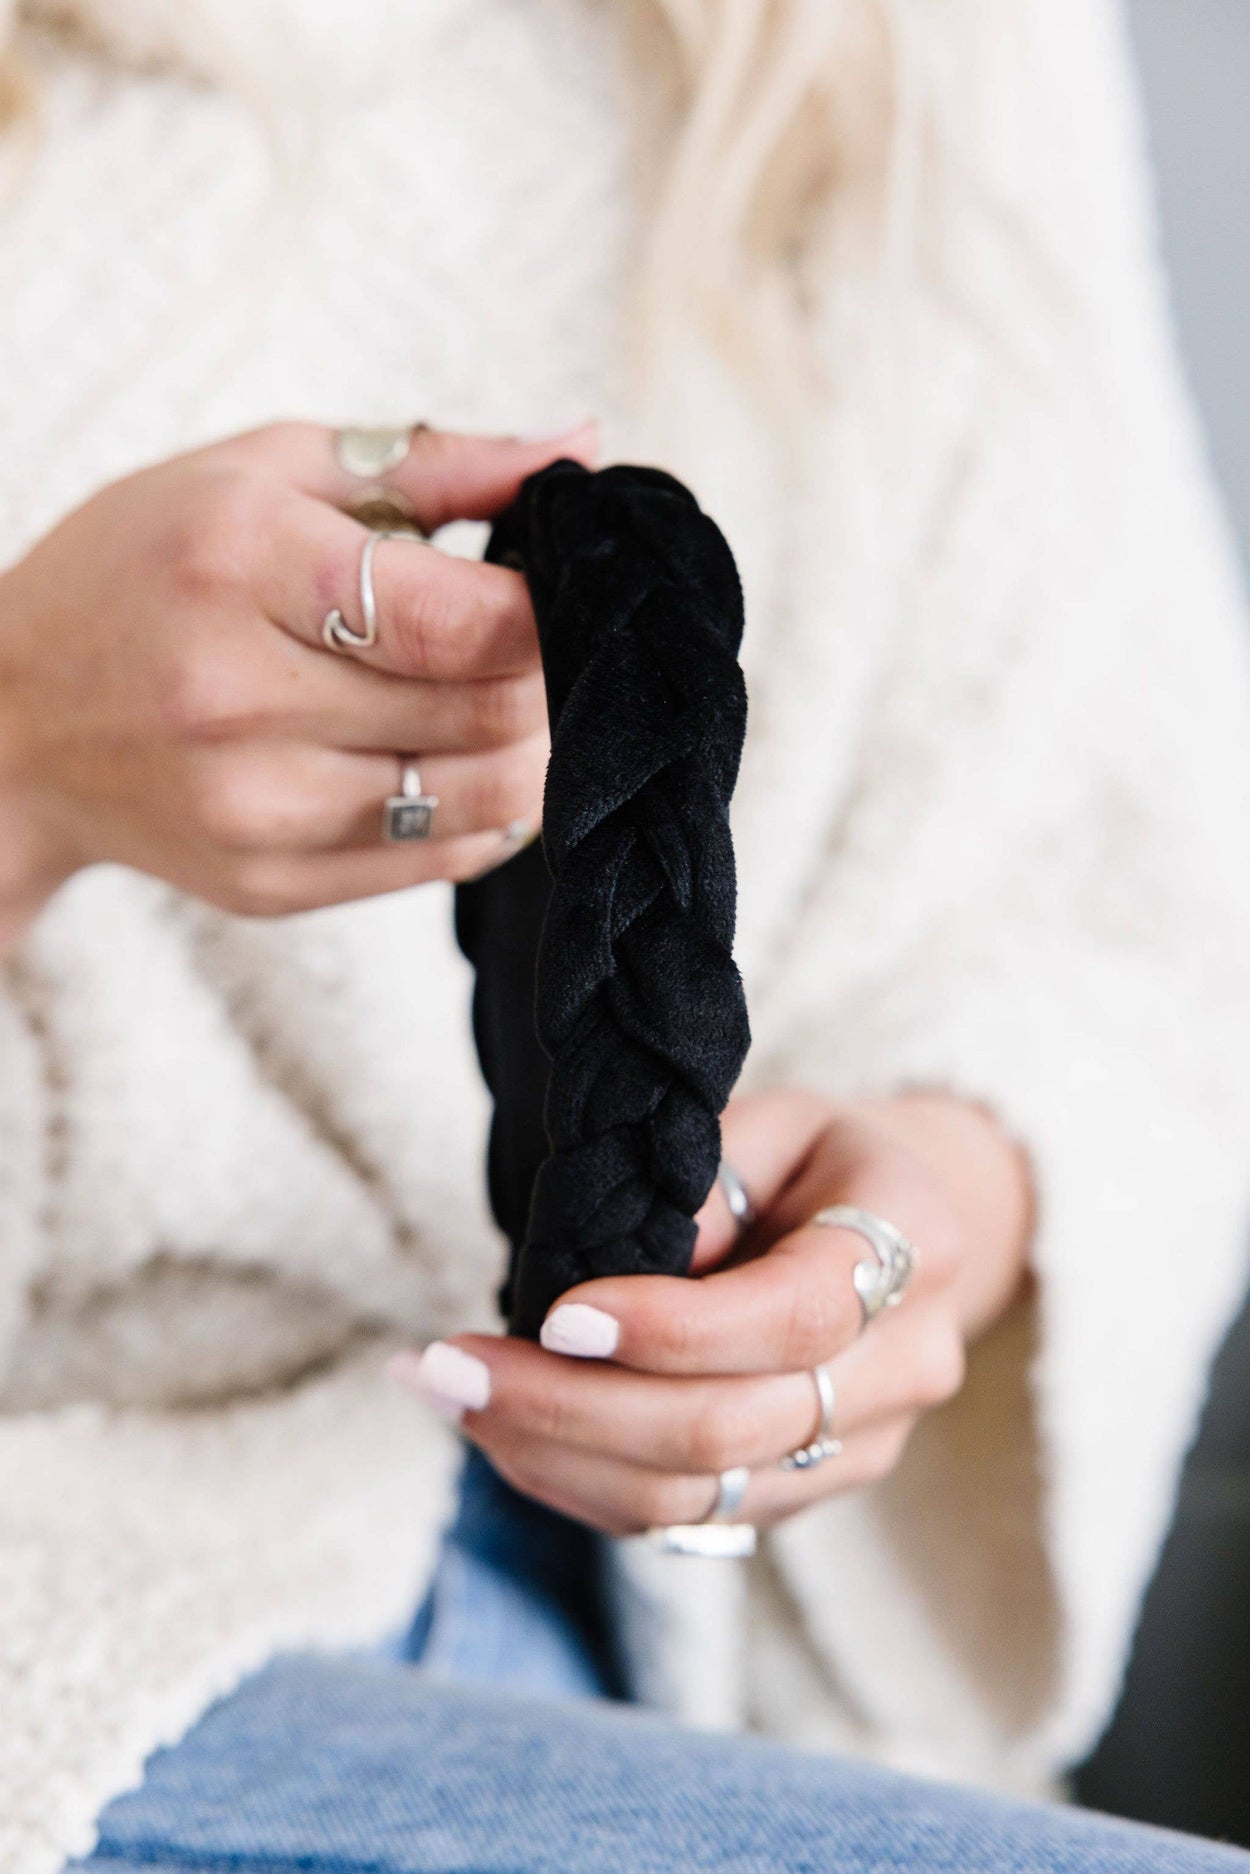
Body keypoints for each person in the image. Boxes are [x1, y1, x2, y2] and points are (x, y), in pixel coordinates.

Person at [1, 2, 1249, 1871]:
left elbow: (1110, 921)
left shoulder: (925, 49)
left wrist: (911, 1226)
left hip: (656, 1639)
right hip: (71, 1568)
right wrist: (22, 742)